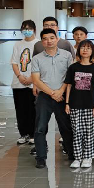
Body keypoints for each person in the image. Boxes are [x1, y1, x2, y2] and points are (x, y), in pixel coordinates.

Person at [31, 28, 74, 168]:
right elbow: (36, 80)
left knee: (66, 126)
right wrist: (52, 93)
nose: (48, 41)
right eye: (45, 39)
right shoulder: (37, 58)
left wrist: (60, 91)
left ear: (56, 39)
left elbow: (70, 76)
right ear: (42, 41)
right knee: (40, 127)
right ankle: (41, 157)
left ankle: (71, 153)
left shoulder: (67, 55)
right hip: (45, 96)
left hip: (62, 96)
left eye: (51, 38)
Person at [65, 40, 94, 169]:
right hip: (75, 104)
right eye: (83, 48)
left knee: (89, 132)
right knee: (76, 131)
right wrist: (67, 103)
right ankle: (77, 157)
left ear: (92, 51)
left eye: (88, 48)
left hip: (90, 105)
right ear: (79, 50)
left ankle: (88, 157)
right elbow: (69, 86)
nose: (85, 50)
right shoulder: (73, 67)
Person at [11, 19, 38, 145]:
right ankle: (24, 134)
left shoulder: (38, 44)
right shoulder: (17, 44)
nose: (27, 31)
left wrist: (32, 78)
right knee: (20, 109)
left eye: (29, 29)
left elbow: (40, 63)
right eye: (24, 29)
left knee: (33, 110)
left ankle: (33, 134)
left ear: (34, 30)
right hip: (18, 83)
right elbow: (14, 62)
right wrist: (19, 76)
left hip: (34, 83)